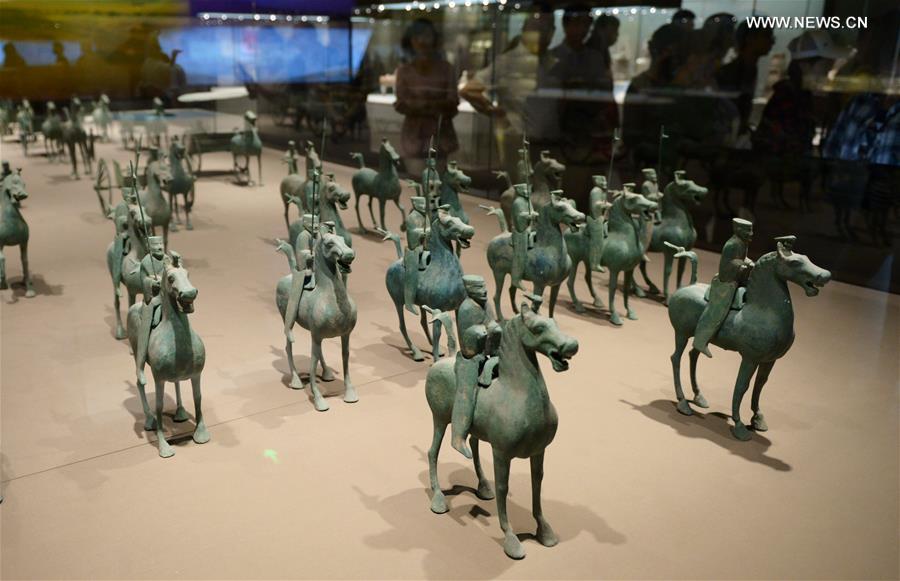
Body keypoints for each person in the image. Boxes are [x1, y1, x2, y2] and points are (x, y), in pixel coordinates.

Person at [459, 3, 555, 177]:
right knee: (518, 186)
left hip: (550, 142)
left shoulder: (552, 60)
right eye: (537, 27)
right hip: (518, 139)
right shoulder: (508, 60)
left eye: (547, 28)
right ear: (526, 29)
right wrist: (495, 112)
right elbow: (468, 90)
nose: (543, 33)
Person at [394, 18, 459, 176]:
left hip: (440, 135)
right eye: (417, 37)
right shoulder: (404, 71)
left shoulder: (446, 69)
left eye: (427, 36)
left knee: (438, 182)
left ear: (435, 39)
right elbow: (401, 103)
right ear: (410, 40)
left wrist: (420, 105)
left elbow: (452, 102)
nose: (422, 42)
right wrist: (434, 105)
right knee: (416, 182)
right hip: (414, 138)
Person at [450, 275, 502, 458]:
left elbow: (492, 323)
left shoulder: (486, 304)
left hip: (491, 351)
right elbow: (467, 343)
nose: (484, 291)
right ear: (470, 290)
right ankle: (458, 437)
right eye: (479, 288)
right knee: (466, 394)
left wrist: (494, 329)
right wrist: (481, 331)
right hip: (470, 359)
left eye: (484, 287)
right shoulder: (466, 308)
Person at [692, 218, 754, 357]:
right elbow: (726, 265)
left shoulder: (743, 243)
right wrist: (742, 265)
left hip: (739, 276)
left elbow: (742, 258)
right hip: (727, 281)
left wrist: (748, 262)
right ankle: (700, 340)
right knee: (718, 309)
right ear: (738, 230)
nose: (751, 234)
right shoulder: (731, 244)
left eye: (751, 230)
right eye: (748, 231)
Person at [715, 19, 775, 135]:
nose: (772, 42)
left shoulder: (750, 69)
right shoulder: (731, 73)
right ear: (750, 39)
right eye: (766, 36)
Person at [135, 236, 168, 385]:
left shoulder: (167, 259)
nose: (160, 246)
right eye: (156, 245)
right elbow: (143, 281)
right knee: (147, 322)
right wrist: (151, 283)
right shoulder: (146, 262)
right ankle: (140, 367)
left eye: (161, 243)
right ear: (149, 247)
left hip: (168, 297)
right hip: (153, 299)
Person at [403, 196, 430, 314]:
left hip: (427, 245)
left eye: (425, 204)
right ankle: (409, 302)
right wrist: (421, 232)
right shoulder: (411, 217)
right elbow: (411, 232)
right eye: (421, 205)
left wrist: (430, 231)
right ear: (414, 204)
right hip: (415, 248)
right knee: (412, 272)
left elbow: (430, 228)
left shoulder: (426, 217)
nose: (424, 207)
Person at [510, 182, 537, 291]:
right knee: (520, 253)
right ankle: (516, 279)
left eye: (528, 189)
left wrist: (531, 222)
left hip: (529, 228)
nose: (527, 191)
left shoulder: (528, 200)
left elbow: (531, 211)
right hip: (520, 231)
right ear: (519, 191)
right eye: (525, 189)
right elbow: (520, 216)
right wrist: (530, 215)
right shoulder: (517, 202)